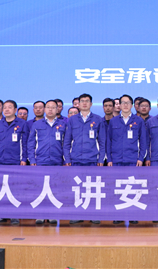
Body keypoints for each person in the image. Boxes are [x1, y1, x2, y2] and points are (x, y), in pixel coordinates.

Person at [64, 93, 106, 225]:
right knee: (77, 188)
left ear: (91, 104)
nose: (84, 103)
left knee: (93, 187)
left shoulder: (98, 119)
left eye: (87, 101)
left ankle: (93, 214)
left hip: (93, 159)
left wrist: (101, 159)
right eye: (82, 101)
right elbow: (67, 141)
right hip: (76, 159)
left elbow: (102, 141)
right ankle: (77, 214)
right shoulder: (72, 120)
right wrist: (67, 158)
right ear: (78, 103)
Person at [106, 94, 146, 225]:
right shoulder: (113, 121)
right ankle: (118, 215)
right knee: (118, 187)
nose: (125, 105)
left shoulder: (138, 121)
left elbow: (143, 141)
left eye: (128, 103)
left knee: (132, 186)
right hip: (116, 159)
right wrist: (109, 158)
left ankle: (133, 214)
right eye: (123, 102)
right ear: (119, 105)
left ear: (132, 105)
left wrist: (141, 158)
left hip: (133, 159)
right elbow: (108, 141)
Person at [0, 100, 28, 225]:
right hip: (0, 161)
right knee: (0, 189)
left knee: (15, 189)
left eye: (9, 107)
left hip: (15, 161)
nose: (6, 110)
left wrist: (23, 159)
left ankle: (14, 215)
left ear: (15, 110)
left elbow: (25, 143)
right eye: (5, 107)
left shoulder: (22, 124)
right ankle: (0, 215)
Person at [28, 100, 66, 225]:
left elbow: (66, 144)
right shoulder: (37, 124)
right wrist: (32, 159)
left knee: (55, 189)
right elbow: (31, 144)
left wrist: (65, 160)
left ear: (57, 109)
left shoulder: (63, 125)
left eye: (53, 107)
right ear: (44, 109)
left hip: (57, 161)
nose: (50, 110)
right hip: (40, 161)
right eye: (48, 107)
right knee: (40, 189)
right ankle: (39, 215)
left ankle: (52, 215)